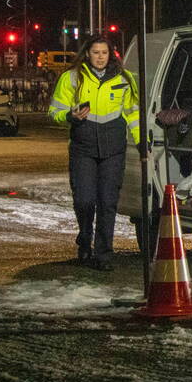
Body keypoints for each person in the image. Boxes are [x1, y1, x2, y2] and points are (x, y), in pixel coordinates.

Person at [48, 36, 140, 270]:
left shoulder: (125, 79)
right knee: (84, 200)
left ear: (111, 55)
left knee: (108, 202)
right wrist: (69, 116)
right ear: (87, 53)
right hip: (83, 148)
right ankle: (85, 236)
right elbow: (54, 111)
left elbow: (133, 112)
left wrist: (142, 141)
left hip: (113, 150)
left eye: (104, 53)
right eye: (96, 52)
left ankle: (104, 255)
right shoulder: (71, 78)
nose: (100, 57)